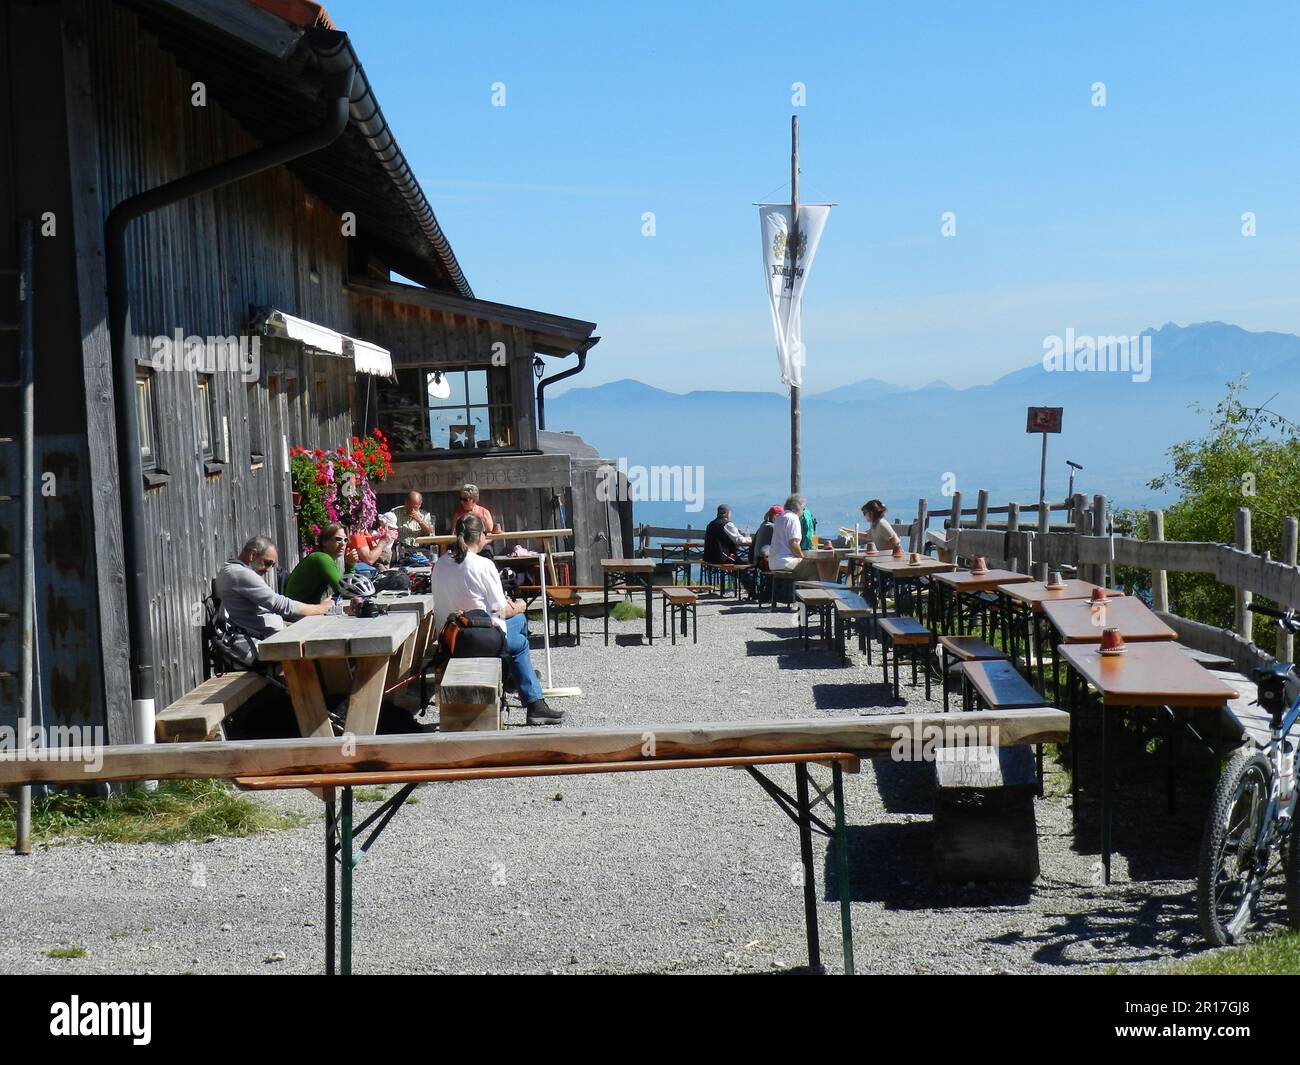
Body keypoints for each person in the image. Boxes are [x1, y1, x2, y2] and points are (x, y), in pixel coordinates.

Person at [433, 513, 561, 727]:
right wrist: (521, 605)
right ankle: (534, 703)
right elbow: (501, 610)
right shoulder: (482, 564)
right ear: (481, 536)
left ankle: (513, 678)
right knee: (519, 637)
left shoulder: (440, 565)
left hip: (449, 637)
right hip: (476, 639)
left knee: (519, 624)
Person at [215, 535, 331, 639]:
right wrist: (321, 608)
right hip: (268, 639)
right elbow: (279, 604)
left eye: (272, 565)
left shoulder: (229, 569)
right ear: (253, 554)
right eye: (267, 563)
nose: (269, 570)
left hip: (270, 632)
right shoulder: (241, 574)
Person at [285, 523, 355, 604]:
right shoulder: (322, 558)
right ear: (324, 542)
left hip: (300, 608)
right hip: (297, 612)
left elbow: (345, 590)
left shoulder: (321, 556)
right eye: (338, 539)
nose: (343, 544)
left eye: (345, 540)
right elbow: (345, 591)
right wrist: (350, 566)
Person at [770, 494, 820, 605]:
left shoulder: (780, 518)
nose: (803, 511)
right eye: (803, 508)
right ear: (798, 507)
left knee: (806, 567)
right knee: (815, 568)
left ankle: (802, 598)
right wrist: (802, 556)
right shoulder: (793, 518)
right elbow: (793, 544)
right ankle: (811, 601)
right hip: (785, 561)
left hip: (773, 562)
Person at [750, 504, 784, 570]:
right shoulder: (771, 527)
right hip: (764, 560)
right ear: (776, 516)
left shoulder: (764, 524)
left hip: (758, 559)